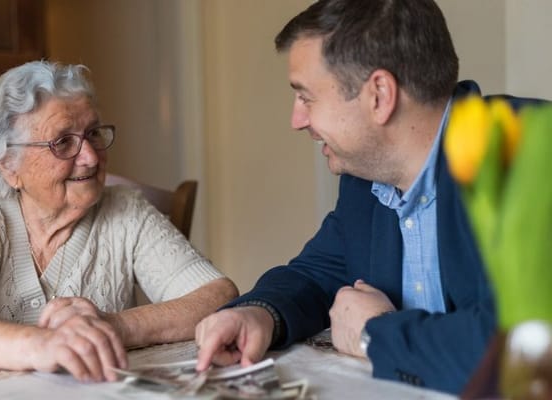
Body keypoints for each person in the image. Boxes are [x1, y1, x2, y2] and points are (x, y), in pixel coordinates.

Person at [195, 0, 544, 394]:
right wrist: (259, 314)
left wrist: (374, 334)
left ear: (379, 94)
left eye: (306, 97)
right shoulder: (368, 178)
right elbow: (317, 272)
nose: (297, 120)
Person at [0, 61, 238, 383]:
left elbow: (218, 295)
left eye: (93, 133)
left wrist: (114, 326)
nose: (91, 157)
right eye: (63, 141)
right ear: (9, 165)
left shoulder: (126, 212)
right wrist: (42, 345)